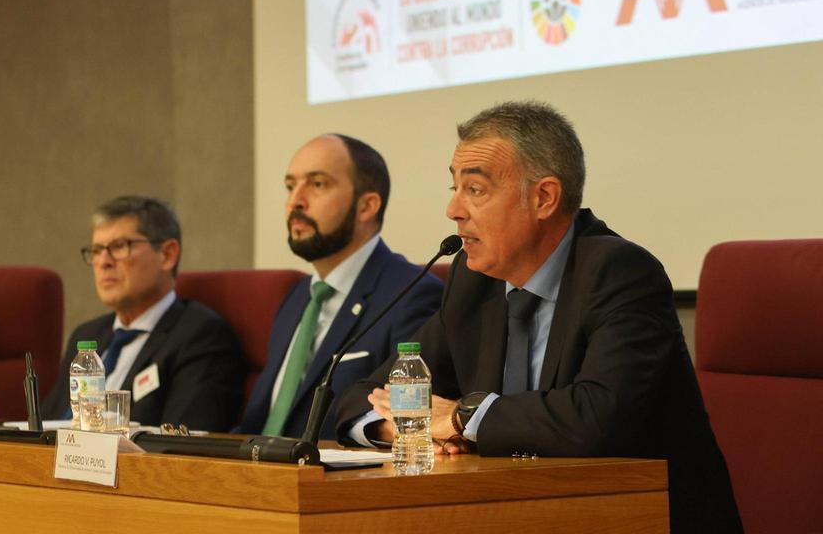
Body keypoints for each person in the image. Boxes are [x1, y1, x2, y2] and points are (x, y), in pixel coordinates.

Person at [335, 102, 741, 533]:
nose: (453, 209)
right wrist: (396, 427)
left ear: (543, 197)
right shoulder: (475, 284)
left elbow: (594, 418)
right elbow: (361, 395)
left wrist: (460, 417)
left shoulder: (620, 273)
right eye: (453, 188)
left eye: (475, 190)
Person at [237, 134, 443, 441]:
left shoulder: (413, 295)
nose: (295, 201)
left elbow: (405, 424)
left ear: (366, 206)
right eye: (290, 186)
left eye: (317, 184)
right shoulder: (297, 298)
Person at [41, 196, 245, 431]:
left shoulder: (200, 336)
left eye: (119, 247)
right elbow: (46, 424)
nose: (103, 262)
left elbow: (182, 444)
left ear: (167, 254)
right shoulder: (87, 335)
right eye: (97, 250)